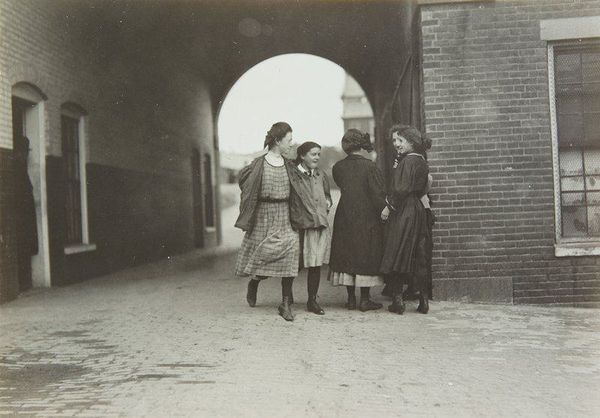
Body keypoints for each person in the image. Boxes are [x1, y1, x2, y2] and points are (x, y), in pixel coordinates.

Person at [234, 122, 302, 321]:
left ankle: (285, 303)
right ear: (278, 141)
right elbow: (244, 181)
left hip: (285, 214)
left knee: (290, 255)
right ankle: (254, 282)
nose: (291, 144)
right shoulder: (258, 164)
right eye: (289, 140)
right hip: (263, 215)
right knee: (263, 255)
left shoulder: (290, 165)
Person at [329, 129, 386, 312]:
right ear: (361, 145)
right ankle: (365, 299)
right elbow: (376, 193)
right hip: (366, 215)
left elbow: (342, 185)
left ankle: (351, 299)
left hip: (345, 214)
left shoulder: (338, 167)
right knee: (365, 252)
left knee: (347, 253)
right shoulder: (370, 167)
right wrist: (384, 209)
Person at [380, 125, 432, 314]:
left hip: (404, 210)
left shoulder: (407, 162)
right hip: (418, 209)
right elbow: (424, 186)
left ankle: (398, 302)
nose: (397, 144)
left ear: (411, 142)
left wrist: (388, 207)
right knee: (419, 255)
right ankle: (424, 302)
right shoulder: (421, 161)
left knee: (397, 251)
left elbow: (400, 189)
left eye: (400, 141)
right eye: (395, 141)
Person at [291, 141, 332, 315]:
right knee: (294, 263)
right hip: (299, 225)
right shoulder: (293, 175)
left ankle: (312, 301)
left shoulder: (321, 175)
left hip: (317, 225)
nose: (317, 158)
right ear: (302, 156)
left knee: (315, 264)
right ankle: (286, 295)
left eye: (318, 154)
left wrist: (327, 202)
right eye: (313, 154)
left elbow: (327, 195)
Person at [14, 135, 38, 292]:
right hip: (19, 219)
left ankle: (25, 282)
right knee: (21, 246)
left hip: (25, 218)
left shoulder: (23, 172)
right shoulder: (16, 171)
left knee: (25, 246)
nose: (25, 156)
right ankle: (23, 283)